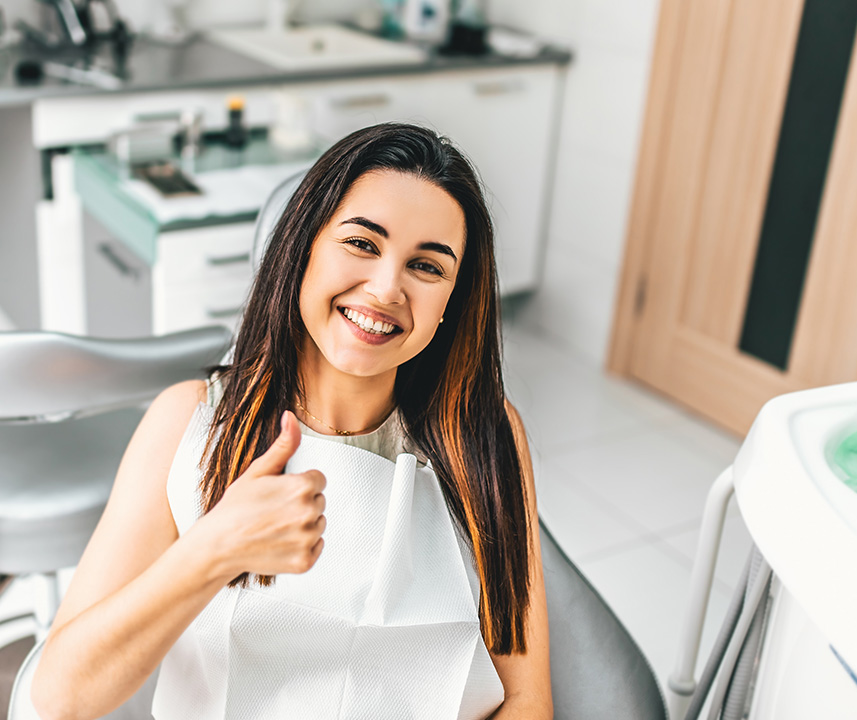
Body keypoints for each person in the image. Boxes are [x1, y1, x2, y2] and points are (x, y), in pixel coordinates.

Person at [31, 123, 553, 719]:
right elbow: (60, 696)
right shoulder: (190, 423)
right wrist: (212, 551)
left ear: (451, 305)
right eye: (362, 243)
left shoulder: (484, 434)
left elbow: (526, 697)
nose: (386, 288)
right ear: (301, 247)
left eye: (427, 267)